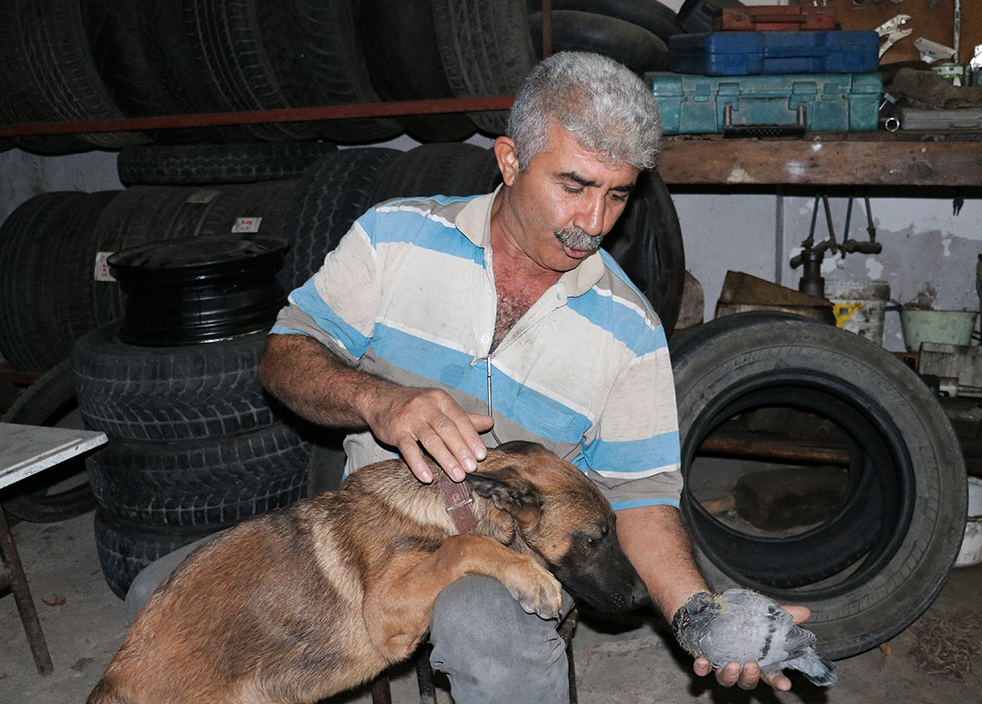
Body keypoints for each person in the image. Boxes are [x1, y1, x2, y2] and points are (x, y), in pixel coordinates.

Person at [261, 51, 808, 700]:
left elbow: (640, 498)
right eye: (574, 186)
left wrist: (698, 614)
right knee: (167, 596)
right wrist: (375, 399)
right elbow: (286, 354)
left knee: (481, 627)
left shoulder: (629, 331)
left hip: (515, 552)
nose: (595, 223)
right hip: (372, 529)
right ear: (510, 160)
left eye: (618, 194)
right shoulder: (394, 238)